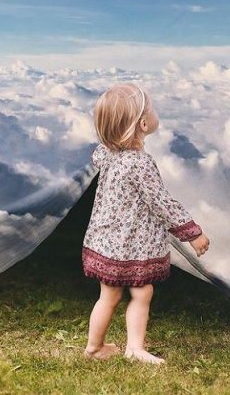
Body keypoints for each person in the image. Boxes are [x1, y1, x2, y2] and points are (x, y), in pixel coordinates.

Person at [82, 82, 211, 365]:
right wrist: (193, 233)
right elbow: (161, 203)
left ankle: (94, 347)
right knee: (142, 292)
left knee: (108, 296)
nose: (154, 111)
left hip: (105, 242)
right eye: (150, 108)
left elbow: (98, 150)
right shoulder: (140, 163)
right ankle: (135, 347)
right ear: (143, 123)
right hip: (130, 246)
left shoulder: (107, 153)